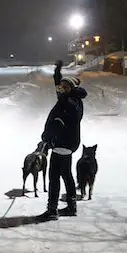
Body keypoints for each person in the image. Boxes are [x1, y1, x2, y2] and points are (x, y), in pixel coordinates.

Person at [40, 59, 88, 219]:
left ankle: (52, 209)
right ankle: (71, 206)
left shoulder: (70, 102)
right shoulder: (68, 98)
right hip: (66, 144)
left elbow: (60, 122)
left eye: (65, 87)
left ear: (72, 89)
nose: (61, 89)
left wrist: (48, 136)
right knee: (66, 175)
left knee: (54, 177)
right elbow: (58, 89)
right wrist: (57, 72)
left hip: (63, 143)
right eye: (61, 86)